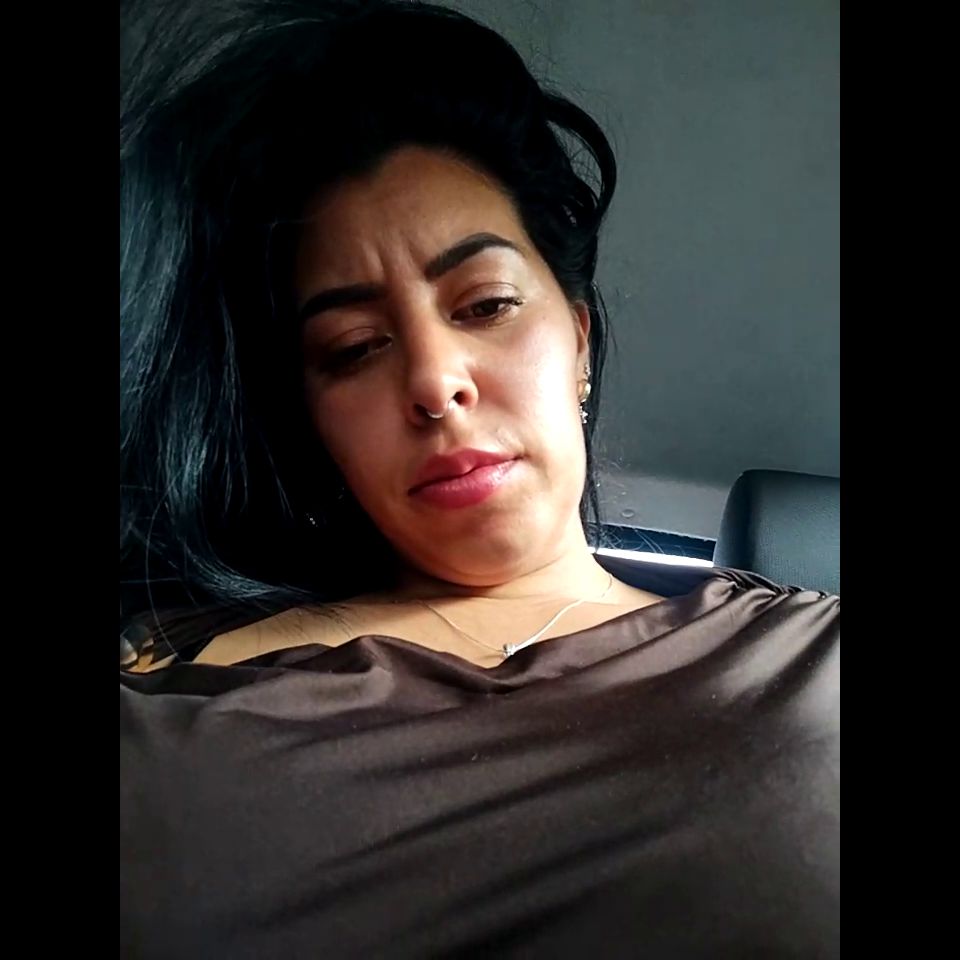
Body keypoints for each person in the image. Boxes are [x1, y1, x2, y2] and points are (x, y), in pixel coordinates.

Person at [120, 2, 839, 956]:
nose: (433, 381)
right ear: (315, 421)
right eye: (354, 347)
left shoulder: (814, 656)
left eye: (487, 303)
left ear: (578, 340)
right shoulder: (163, 675)